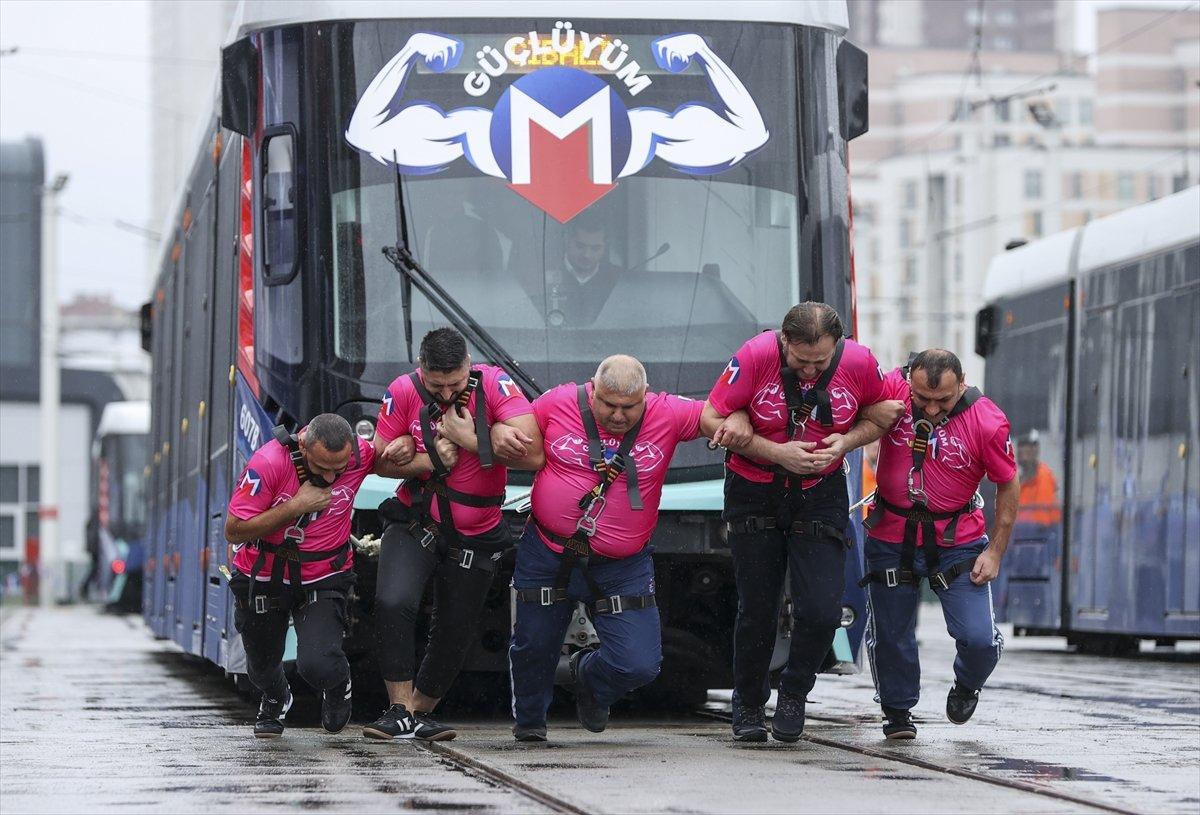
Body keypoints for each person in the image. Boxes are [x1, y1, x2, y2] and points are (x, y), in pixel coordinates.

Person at [508, 354, 746, 742]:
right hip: (549, 551)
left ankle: (588, 677)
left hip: (623, 563)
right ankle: (531, 721)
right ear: (592, 390)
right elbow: (514, 425)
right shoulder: (557, 401)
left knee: (639, 665)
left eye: (629, 407)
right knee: (534, 645)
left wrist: (736, 419)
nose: (618, 416)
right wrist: (500, 434)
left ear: (646, 396)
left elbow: (714, 416)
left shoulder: (668, 412)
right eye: (609, 405)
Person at [701, 302, 904, 743]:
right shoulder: (755, 356)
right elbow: (710, 417)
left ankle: (794, 691)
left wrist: (847, 441)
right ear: (784, 341)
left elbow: (886, 409)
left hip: (821, 492)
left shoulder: (860, 362)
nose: (810, 370)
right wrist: (776, 452)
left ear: (837, 347)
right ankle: (749, 703)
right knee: (759, 607)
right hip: (755, 489)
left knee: (822, 610)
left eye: (821, 361)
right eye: (800, 360)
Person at [364, 328, 543, 742]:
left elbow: (534, 455)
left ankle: (420, 711)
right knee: (394, 601)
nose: (445, 393)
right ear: (421, 371)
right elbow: (380, 462)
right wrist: (425, 458)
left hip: (477, 531)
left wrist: (472, 438)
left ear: (469, 367)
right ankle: (398, 709)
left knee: (455, 626)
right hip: (415, 520)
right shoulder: (402, 391)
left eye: (455, 384)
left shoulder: (497, 385)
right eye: (436, 385)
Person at [859, 349, 1018, 739]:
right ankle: (897, 712)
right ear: (908, 382)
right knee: (891, 633)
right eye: (921, 399)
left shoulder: (987, 420)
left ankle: (967, 683)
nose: (930, 409)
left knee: (979, 639)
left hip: (958, 542)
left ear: (961, 384)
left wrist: (995, 551)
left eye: (942, 400)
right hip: (891, 536)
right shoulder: (890, 389)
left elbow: (1008, 484)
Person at [223, 413, 378, 739]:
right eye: (321, 468)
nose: (331, 476)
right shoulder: (268, 462)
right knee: (261, 665)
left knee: (317, 664)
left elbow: (393, 460)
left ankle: (338, 685)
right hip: (263, 573)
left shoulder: (360, 455)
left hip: (324, 575)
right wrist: (296, 506)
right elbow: (234, 531)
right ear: (303, 445)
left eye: (339, 468)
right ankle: (276, 696)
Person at [545, 214, 625, 326]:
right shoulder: (542, 274)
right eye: (580, 246)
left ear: (605, 247)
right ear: (567, 240)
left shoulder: (619, 280)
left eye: (595, 248)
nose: (587, 255)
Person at [1016, 430, 1061, 526]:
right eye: (1021, 446)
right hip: (1020, 535)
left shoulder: (1043, 475)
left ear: (1036, 450)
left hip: (1040, 536)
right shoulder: (1019, 480)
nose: (1023, 451)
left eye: (1029, 447)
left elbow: (1042, 521)